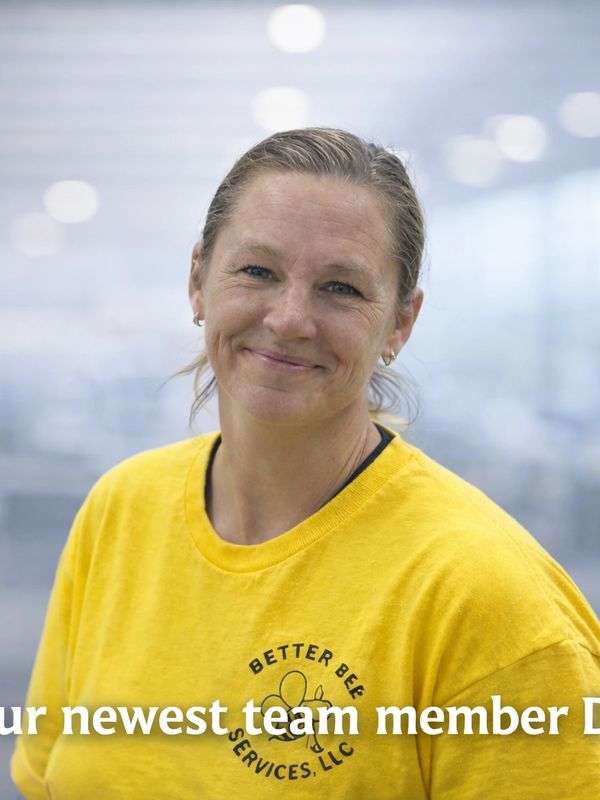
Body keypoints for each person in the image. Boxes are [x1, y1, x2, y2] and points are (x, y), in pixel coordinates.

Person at [11, 127, 600, 799]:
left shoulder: (489, 602)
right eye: (257, 271)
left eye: (341, 288)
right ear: (198, 280)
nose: (290, 318)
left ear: (401, 324)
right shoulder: (120, 511)